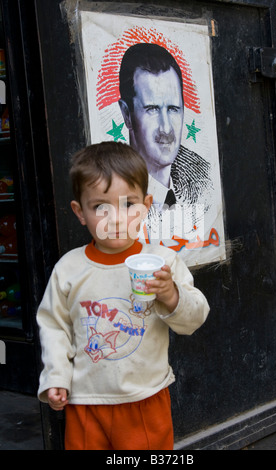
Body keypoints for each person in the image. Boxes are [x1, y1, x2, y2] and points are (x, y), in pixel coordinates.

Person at [36, 141, 210, 450]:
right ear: (80, 212)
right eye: (101, 207)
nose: (115, 219)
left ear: (146, 206)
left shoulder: (163, 262)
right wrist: (56, 376)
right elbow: (54, 328)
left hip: (145, 398)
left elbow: (195, 318)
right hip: (86, 401)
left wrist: (171, 296)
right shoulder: (70, 269)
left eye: (128, 205)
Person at [118, 43, 213, 211]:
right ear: (127, 114)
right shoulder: (109, 190)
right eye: (152, 109)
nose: (166, 129)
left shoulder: (204, 182)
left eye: (173, 109)